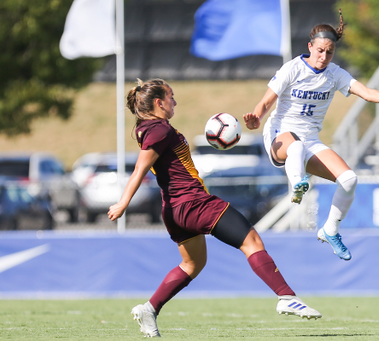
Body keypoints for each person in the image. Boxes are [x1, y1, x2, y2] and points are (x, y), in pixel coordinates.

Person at [107, 79, 321, 338]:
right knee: (251, 241)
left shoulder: (149, 128)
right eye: (171, 96)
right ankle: (286, 296)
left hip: (174, 210)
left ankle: (150, 309)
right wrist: (123, 203)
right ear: (158, 102)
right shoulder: (159, 130)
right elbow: (140, 169)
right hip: (194, 203)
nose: (175, 101)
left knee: (193, 264)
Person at [243, 10, 379, 261]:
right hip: (279, 136)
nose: (324, 57)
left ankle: (330, 229)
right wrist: (256, 118)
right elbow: (265, 102)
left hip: (309, 141)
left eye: (329, 52)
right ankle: (297, 184)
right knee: (296, 148)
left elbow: (366, 92)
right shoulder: (292, 69)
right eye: (320, 51)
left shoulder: (334, 74)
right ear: (309, 47)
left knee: (349, 179)